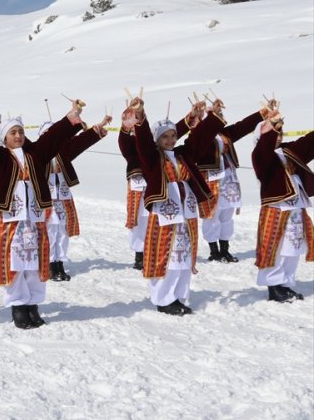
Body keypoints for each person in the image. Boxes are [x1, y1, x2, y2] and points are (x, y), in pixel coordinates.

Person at [0, 100, 86, 329]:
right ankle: (18, 306)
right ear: (4, 137)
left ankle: (33, 304)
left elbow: (53, 138)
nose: (18, 135)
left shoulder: (36, 154)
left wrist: (72, 115)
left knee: (36, 262)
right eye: (13, 132)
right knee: (15, 261)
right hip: (12, 220)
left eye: (21, 131)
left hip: (35, 217)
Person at [123, 97, 217, 316]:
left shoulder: (183, 154)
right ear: (157, 140)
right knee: (169, 257)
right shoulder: (152, 158)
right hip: (165, 215)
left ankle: (179, 296)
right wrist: (140, 116)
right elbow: (143, 141)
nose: (170, 140)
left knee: (184, 257)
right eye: (165, 136)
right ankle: (164, 299)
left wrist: (202, 117)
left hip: (186, 213)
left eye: (173, 135)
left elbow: (200, 139)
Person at [118, 107, 194, 271]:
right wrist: (129, 126)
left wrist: (189, 119)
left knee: (156, 221)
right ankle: (139, 254)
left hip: (157, 188)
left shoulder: (158, 148)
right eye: (131, 123)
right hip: (139, 189)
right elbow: (125, 142)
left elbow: (170, 132)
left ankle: (156, 251)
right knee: (139, 222)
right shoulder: (133, 144)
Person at [37, 117, 111, 281]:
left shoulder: (63, 154)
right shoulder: (38, 155)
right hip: (46, 199)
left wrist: (95, 131)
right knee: (49, 232)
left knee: (63, 231)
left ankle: (59, 263)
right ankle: (49, 264)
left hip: (63, 197)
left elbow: (79, 144)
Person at [251, 109, 313, 302]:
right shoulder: (260, 155)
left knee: (292, 247)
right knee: (275, 249)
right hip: (276, 208)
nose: (278, 136)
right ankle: (274, 286)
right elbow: (264, 150)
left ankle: (285, 284)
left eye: (280, 133)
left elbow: (308, 143)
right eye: (273, 133)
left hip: (295, 207)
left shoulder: (287, 151)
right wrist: (270, 129)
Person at [194, 102, 266, 264]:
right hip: (211, 179)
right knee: (212, 215)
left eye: (221, 116)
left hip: (228, 179)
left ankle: (225, 249)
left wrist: (262, 113)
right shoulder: (201, 135)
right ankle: (214, 250)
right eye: (217, 116)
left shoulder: (225, 134)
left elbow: (243, 126)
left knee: (227, 215)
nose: (221, 118)